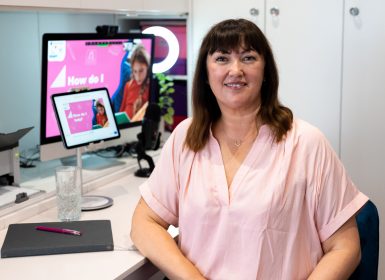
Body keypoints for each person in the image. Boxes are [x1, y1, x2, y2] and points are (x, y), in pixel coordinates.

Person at [130, 19, 369, 280]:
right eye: (222, 58)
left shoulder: (307, 143)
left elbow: (345, 248)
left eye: (248, 57)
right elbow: (144, 223)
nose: (235, 70)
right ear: (206, 74)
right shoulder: (186, 138)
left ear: (265, 71)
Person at [119, 44, 150, 121]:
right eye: (135, 71)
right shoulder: (128, 85)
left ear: (148, 68)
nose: (138, 77)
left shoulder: (151, 87)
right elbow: (121, 112)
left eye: (141, 70)